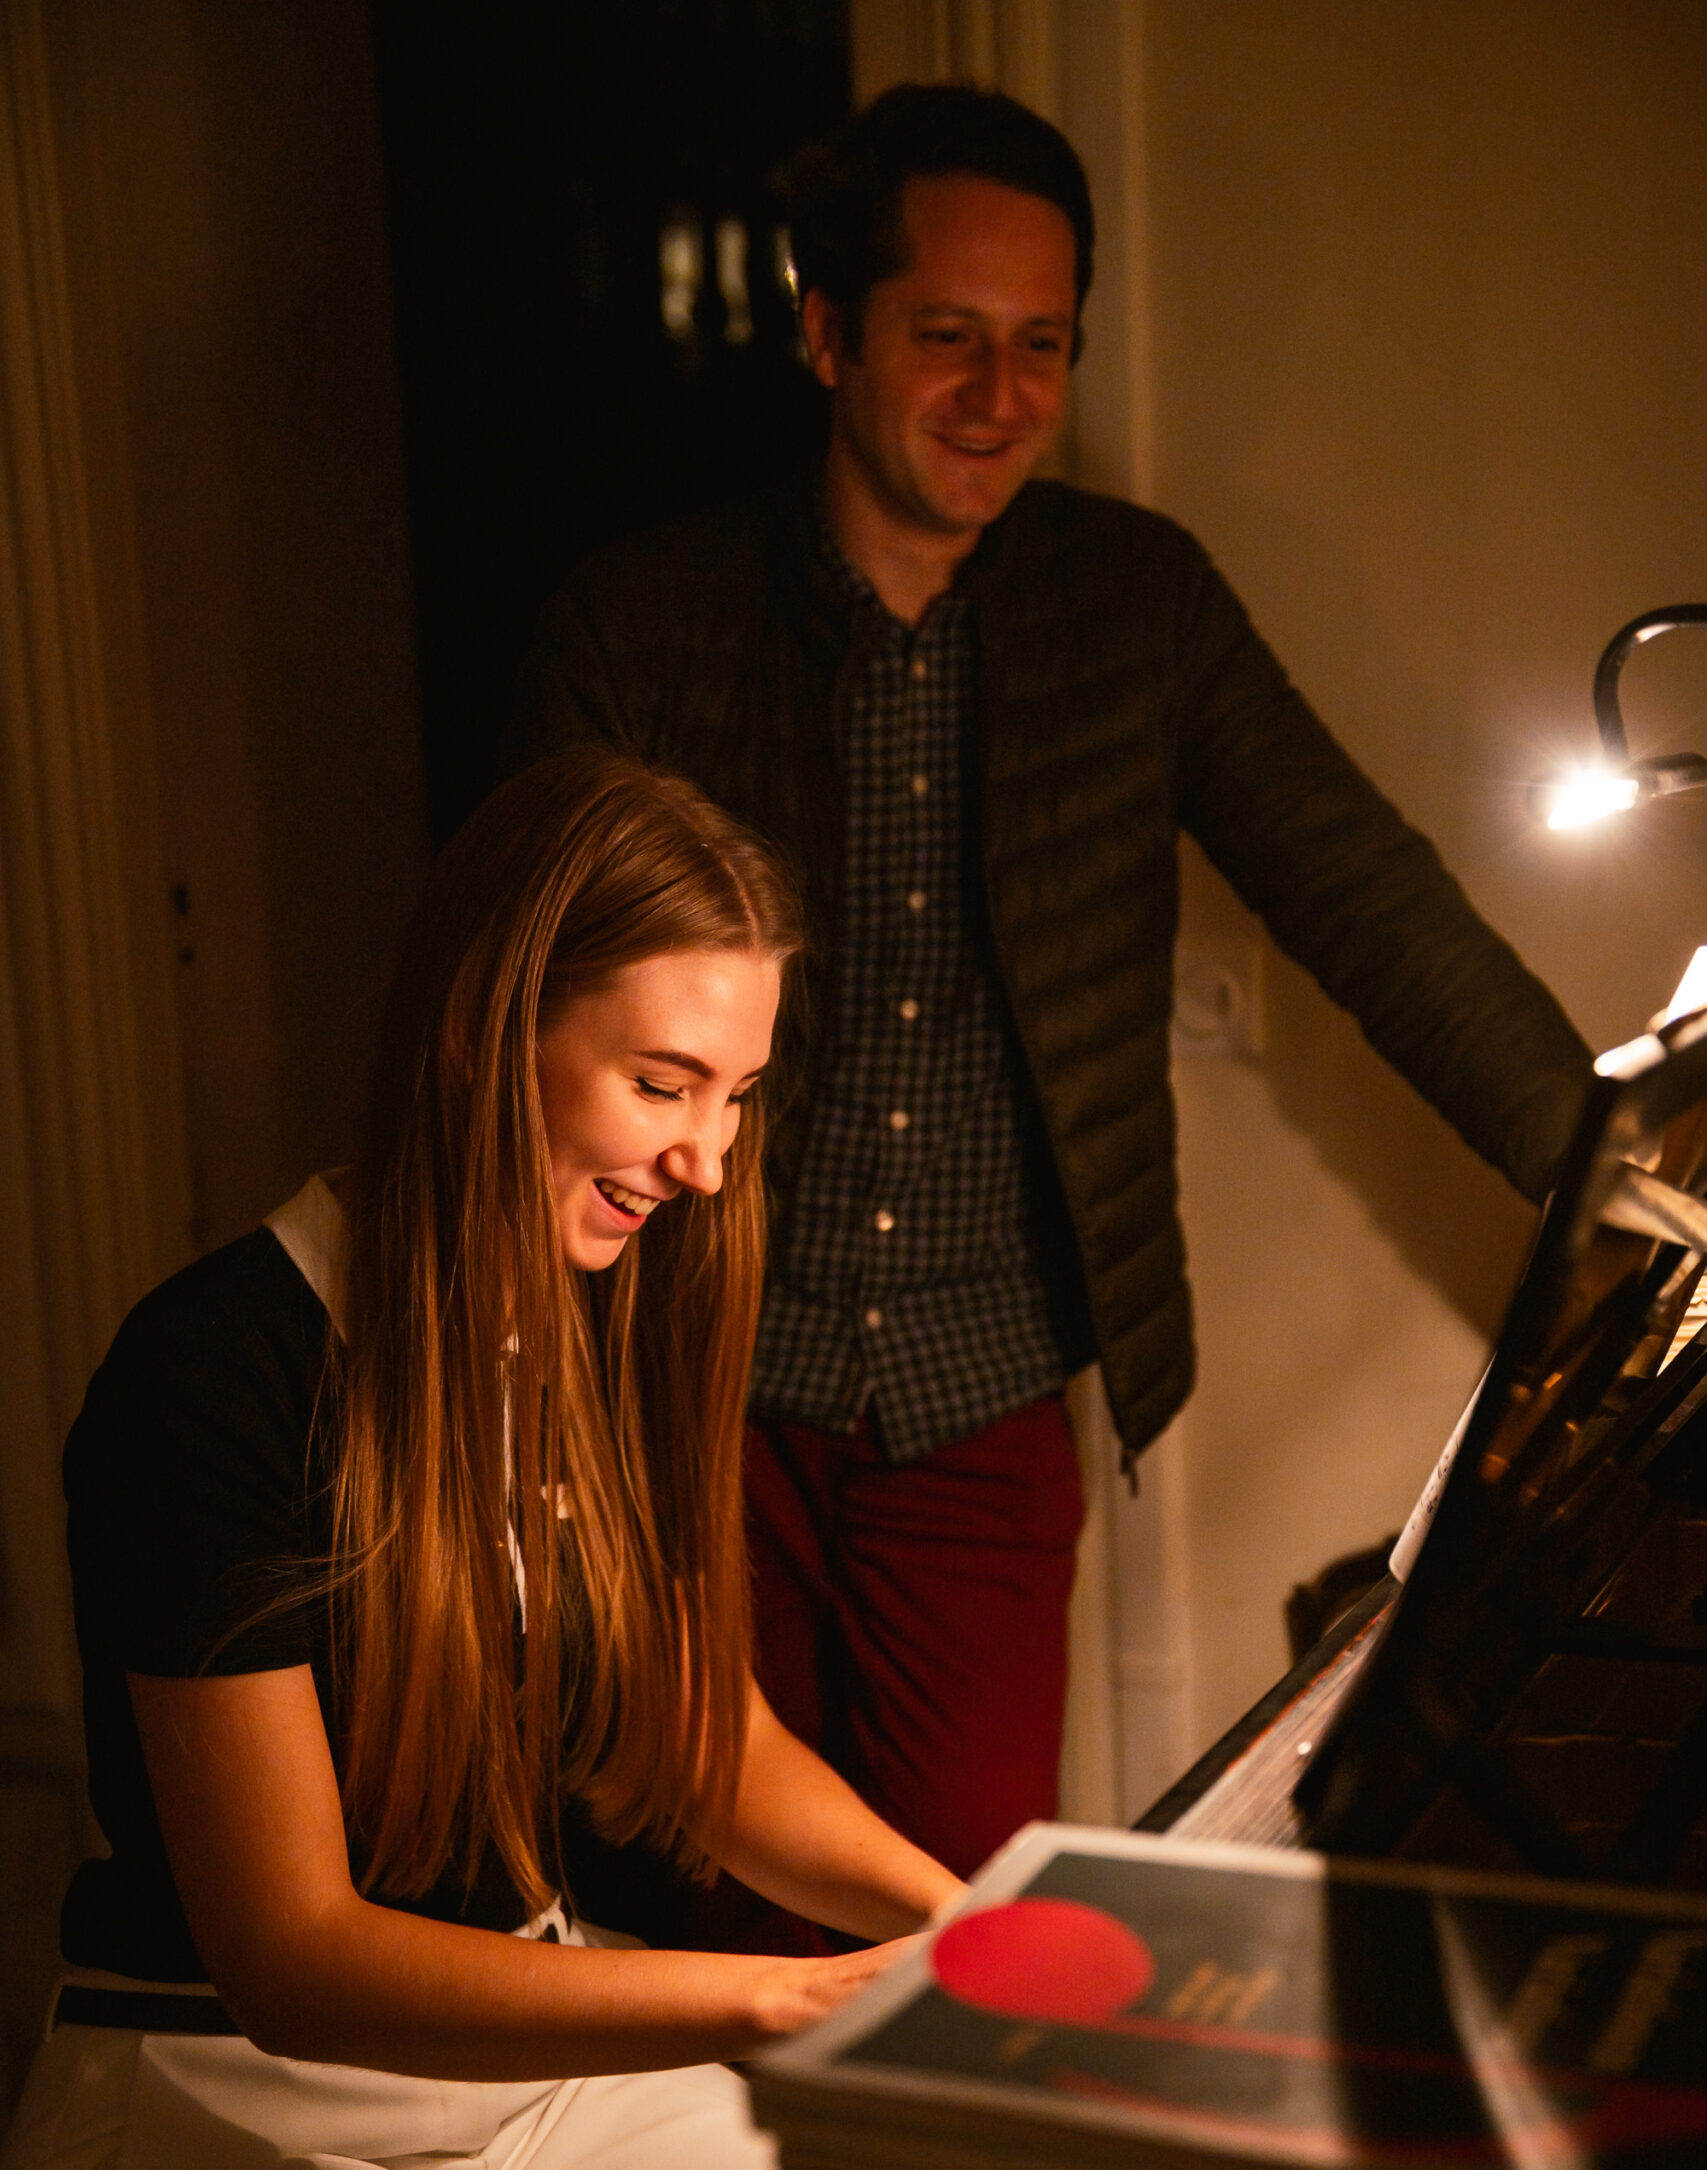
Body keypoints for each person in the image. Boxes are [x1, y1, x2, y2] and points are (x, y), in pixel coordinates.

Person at [504, 84, 1593, 1935]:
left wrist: (1615, 1174)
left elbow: (1369, 901)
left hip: (982, 1392)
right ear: (827, 332)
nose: (1000, 396)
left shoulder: (1137, 604)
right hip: (682, 1369)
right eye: (948, 337)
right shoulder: (639, 618)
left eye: (1041, 345)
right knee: (687, 1891)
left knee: (953, 1915)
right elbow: (516, 1007)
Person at [0, 750, 960, 2170]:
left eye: (738, 1095)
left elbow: (698, 1748)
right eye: (661, 1083)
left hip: (529, 2107)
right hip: (213, 2148)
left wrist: (972, 1926)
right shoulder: (214, 1378)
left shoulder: (589, 1322)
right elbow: (297, 1960)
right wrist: (781, 2003)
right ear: (481, 1032)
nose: (706, 1160)